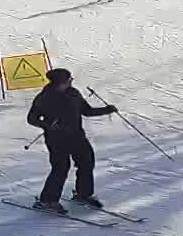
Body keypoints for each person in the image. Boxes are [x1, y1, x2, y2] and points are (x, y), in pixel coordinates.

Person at [26, 68, 117, 213]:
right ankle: (47, 201)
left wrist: (106, 110)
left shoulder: (73, 93)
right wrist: (48, 125)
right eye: (69, 79)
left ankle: (83, 194)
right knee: (61, 168)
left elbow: (86, 111)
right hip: (56, 140)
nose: (71, 81)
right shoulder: (44, 98)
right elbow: (31, 119)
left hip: (77, 136)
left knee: (87, 162)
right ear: (60, 83)